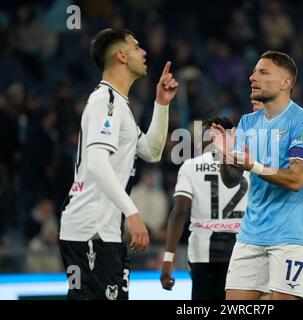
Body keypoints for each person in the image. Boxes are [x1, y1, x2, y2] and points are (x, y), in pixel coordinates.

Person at [58, 28, 178, 300]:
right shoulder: (106, 101)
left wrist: (161, 104)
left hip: (104, 229)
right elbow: (98, 164)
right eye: (136, 47)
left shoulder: (119, 105)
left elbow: (151, 151)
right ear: (122, 56)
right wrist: (133, 213)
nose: (144, 51)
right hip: (91, 229)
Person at [211, 50, 303, 300]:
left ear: (286, 82)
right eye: (253, 71)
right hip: (251, 235)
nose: (252, 77)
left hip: (290, 238)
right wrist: (227, 158)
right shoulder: (248, 122)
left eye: (263, 72)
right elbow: (231, 181)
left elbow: (297, 179)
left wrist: (253, 166)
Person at [251, 100, 303, 300]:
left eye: (260, 99)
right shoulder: (248, 132)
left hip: (294, 237)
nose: (255, 102)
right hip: (254, 237)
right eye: (253, 99)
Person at [160, 116, 250, 300]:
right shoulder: (248, 164)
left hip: (202, 251)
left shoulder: (190, 166)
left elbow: (180, 211)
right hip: (242, 251)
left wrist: (169, 257)